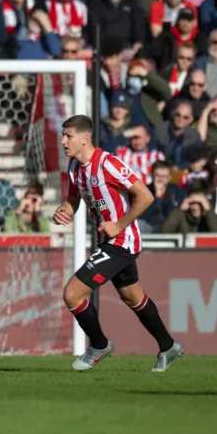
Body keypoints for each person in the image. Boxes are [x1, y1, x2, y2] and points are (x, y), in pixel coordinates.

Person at [53, 114, 183, 372]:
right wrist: (66, 208)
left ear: (85, 139)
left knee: (72, 294)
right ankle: (168, 346)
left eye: (68, 136)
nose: (63, 141)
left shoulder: (107, 164)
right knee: (132, 296)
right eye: (63, 135)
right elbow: (74, 198)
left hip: (121, 240)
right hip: (107, 240)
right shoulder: (74, 167)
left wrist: (119, 224)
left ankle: (99, 345)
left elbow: (145, 196)